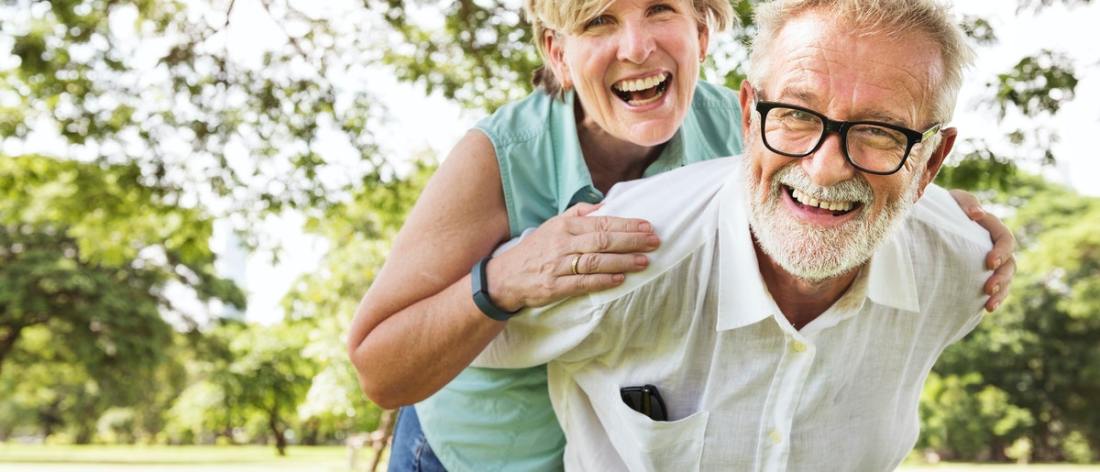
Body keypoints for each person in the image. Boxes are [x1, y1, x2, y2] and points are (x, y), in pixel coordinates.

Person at [346, 0, 1016, 470]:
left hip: (620, 436)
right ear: (557, 52)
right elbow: (380, 364)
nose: (636, 46)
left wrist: (931, 206)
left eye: (660, 9)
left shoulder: (751, 123)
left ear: (704, 30)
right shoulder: (501, 155)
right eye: (597, 19)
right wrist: (503, 281)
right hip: (478, 449)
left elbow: (841, 162)